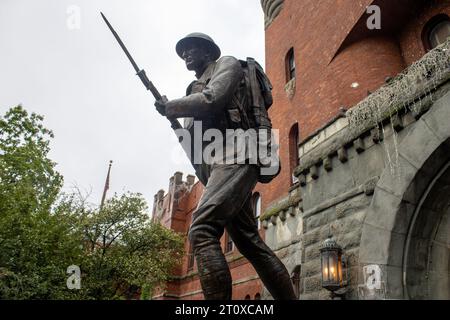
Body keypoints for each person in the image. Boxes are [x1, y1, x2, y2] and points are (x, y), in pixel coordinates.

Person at [155, 33, 296, 300]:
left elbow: (213, 99)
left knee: (201, 229)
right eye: (182, 51)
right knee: (250, 243)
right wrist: (175, 121)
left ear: (208, 52)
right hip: (220, 162)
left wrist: (172, 107)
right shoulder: (193, 87)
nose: (185, 54)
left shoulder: (226, 64)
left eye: (191, 48)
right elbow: (196, 145)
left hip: (240, 152)